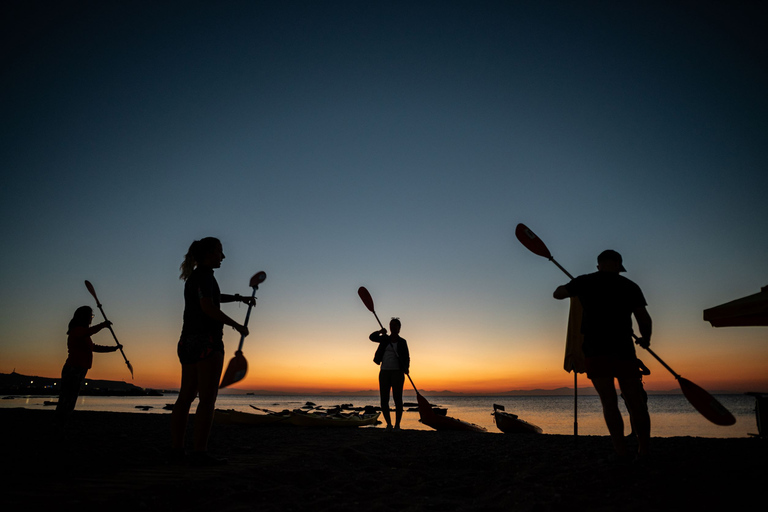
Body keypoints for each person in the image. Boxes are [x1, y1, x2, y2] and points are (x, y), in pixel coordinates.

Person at [553, 250, 652, 461]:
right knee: (635, 402)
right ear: (619, 265)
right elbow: (644, 318)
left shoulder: (585, 281)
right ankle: (643, 450)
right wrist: (646, 339)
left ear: (599, 265)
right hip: (623, 349)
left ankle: (621, 451)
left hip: (595, 350)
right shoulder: (630, 286)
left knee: (609, 402)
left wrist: (573, 287)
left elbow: (558, 293)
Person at [170, 237, 253, 465]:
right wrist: (236, 325)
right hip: (207, 343)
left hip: (187, 342)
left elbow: (212, 299)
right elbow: (208, 307)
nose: (223, 257)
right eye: (219, 252)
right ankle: (200, 452)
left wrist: (238, 298)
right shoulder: (205, 277)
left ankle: (177, 450)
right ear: (208, 253)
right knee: (207, 400)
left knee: (185, 396)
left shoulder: (196, 277)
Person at [55, 306, 121, 425]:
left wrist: (114, 349)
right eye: (90, 316)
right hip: (73, 369)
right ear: (84, 317)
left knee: (72, 397)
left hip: (80, 369)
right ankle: (60, 422)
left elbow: (94, 347)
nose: (91, 318)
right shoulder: (77, 331)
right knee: (67, 397)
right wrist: (103, 325)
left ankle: (63, 421)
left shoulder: (84, 334)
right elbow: (88, 331)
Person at [370, 317, 410, 430]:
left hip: (397, 372)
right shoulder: (385, 339)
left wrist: (406, 368)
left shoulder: (402, 342)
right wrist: (380, 332)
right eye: (391, 325)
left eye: (395, 325)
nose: (392, 327)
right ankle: (388, 424)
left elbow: (407, 357)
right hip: (384, 372)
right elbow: (372, 337)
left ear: (399, 328)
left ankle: (397, 425)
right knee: (384, 399)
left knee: (398, 399)